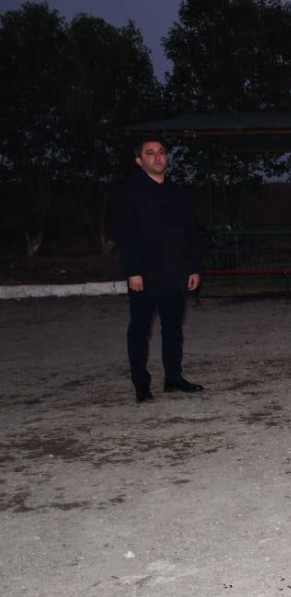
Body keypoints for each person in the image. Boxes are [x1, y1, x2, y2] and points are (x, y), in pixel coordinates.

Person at [112, 138, 203, 403]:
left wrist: (194, 267)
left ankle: (173, 378)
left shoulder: (177, 192)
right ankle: (141, 384)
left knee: (173, 329)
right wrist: (133, 271)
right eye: (150, 153)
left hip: (175, 273)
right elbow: (124, 235)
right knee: (140, 330)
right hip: (145, 276)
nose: (157, 157)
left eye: (161, 152)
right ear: (139, 160)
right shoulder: (130, 192)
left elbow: (189, 234)